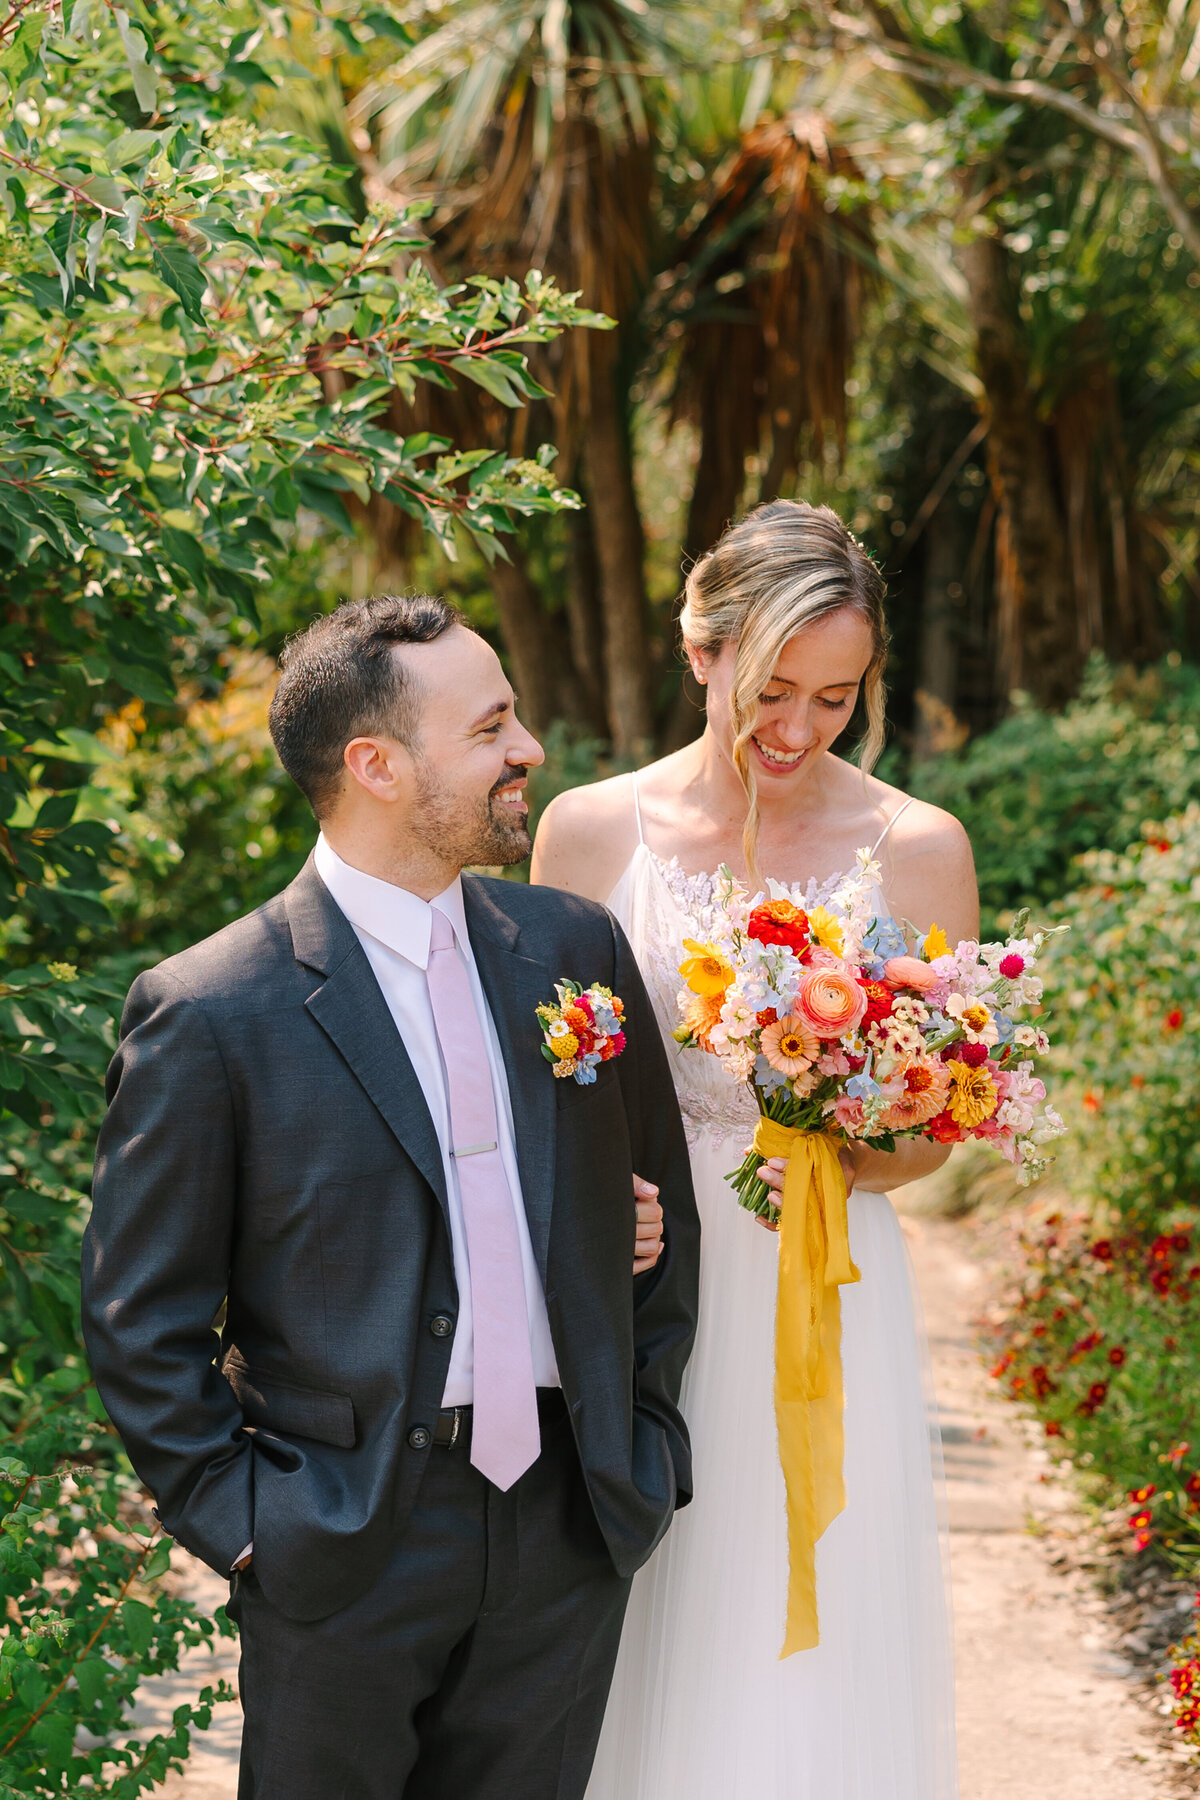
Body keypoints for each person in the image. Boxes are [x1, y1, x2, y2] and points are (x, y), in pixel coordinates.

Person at [81, 594, 701, 1800]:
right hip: (345, 1541)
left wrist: (647, 1444)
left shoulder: (573, 950)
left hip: (568, 1523)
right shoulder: (211, 1011)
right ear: (375, 765)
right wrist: (249, 1520)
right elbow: (136, 1321)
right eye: (493, 727)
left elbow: (658, 1214)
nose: (528, 751)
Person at [532, 500, 977, 1799]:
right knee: (632, 1608)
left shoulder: (919, 848)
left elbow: (933, 1132)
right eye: (772, 689)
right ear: (701, 647)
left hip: (823, 1282)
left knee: (808, 1626)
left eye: (835, 699)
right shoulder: (589, 832)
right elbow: (551, 1077)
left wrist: (853, 1162)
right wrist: (593, 1188)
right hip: (633, 1279)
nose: (796, 731)